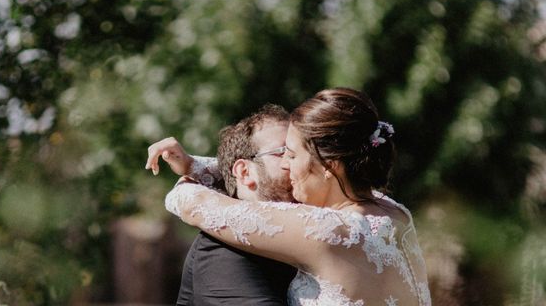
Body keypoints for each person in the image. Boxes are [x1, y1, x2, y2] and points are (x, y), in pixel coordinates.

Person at [160, 88, 431, 306]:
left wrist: (188, 179)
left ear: (329, 165)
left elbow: (191, 204)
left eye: (291, 154)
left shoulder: (323, 231)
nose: (287, 165)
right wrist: (202, 166)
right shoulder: (394, 214)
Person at [146, 104, 297, 305]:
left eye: (299, 153)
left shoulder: (319, 221)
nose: (299, 163)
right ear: (244, 172)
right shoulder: (222, 253)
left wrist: (193, 166)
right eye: (283, 152)